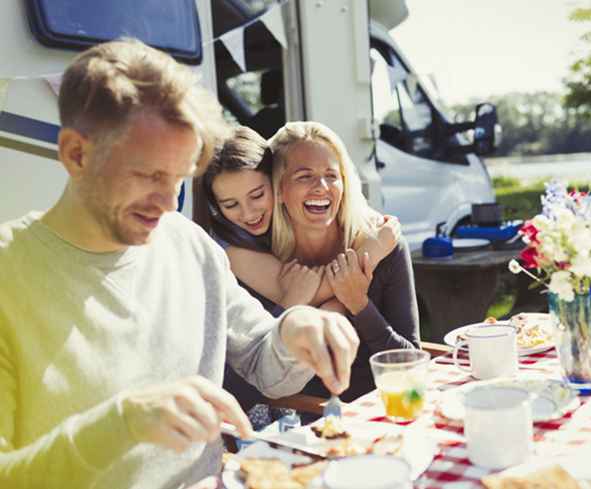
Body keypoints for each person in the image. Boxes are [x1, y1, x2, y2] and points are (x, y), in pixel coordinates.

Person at [0, 39, 358, 489]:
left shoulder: (190, 246)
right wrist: (124, 423)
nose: (168, 203)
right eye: (149, 176)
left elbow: (267, 365)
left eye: (179, 178)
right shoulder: (9, 274)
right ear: (76, 154)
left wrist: (294, 329)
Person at [201, 126, 403, 409]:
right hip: (274, 408)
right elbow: (329, 286)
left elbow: (408, 358)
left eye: (257, 195)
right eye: (230, 204)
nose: (248, 213)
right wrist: (370, 253)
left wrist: (351, 299)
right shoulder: (231, 249)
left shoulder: (364, 232)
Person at [267, 121, 420, 401]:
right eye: (304, 176)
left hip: (378, 415)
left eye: (331, 175)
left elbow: (409, 363)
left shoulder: (385, 246)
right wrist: (290, 304)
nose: (321, 187)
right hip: (299, 420)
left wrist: (359, 305)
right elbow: (259, 363)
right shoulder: (267, 259)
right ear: (279, 191)